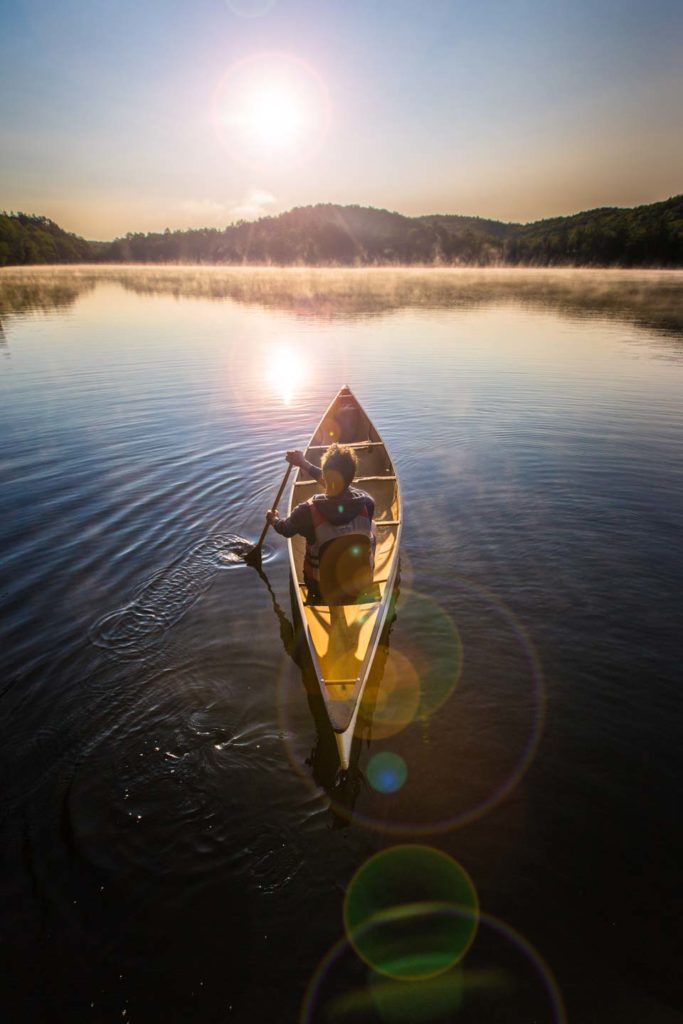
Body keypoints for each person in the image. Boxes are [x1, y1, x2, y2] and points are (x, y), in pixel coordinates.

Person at [267, 444, 375, 604]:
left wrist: (273, 520)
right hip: (359, 585)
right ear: (352, 477)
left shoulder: (305, 512)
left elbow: (286, 529)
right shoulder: (367, 503)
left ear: (324, 475)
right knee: (373, 527)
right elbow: (339, 486)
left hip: (320, 589)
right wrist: (304, 464)